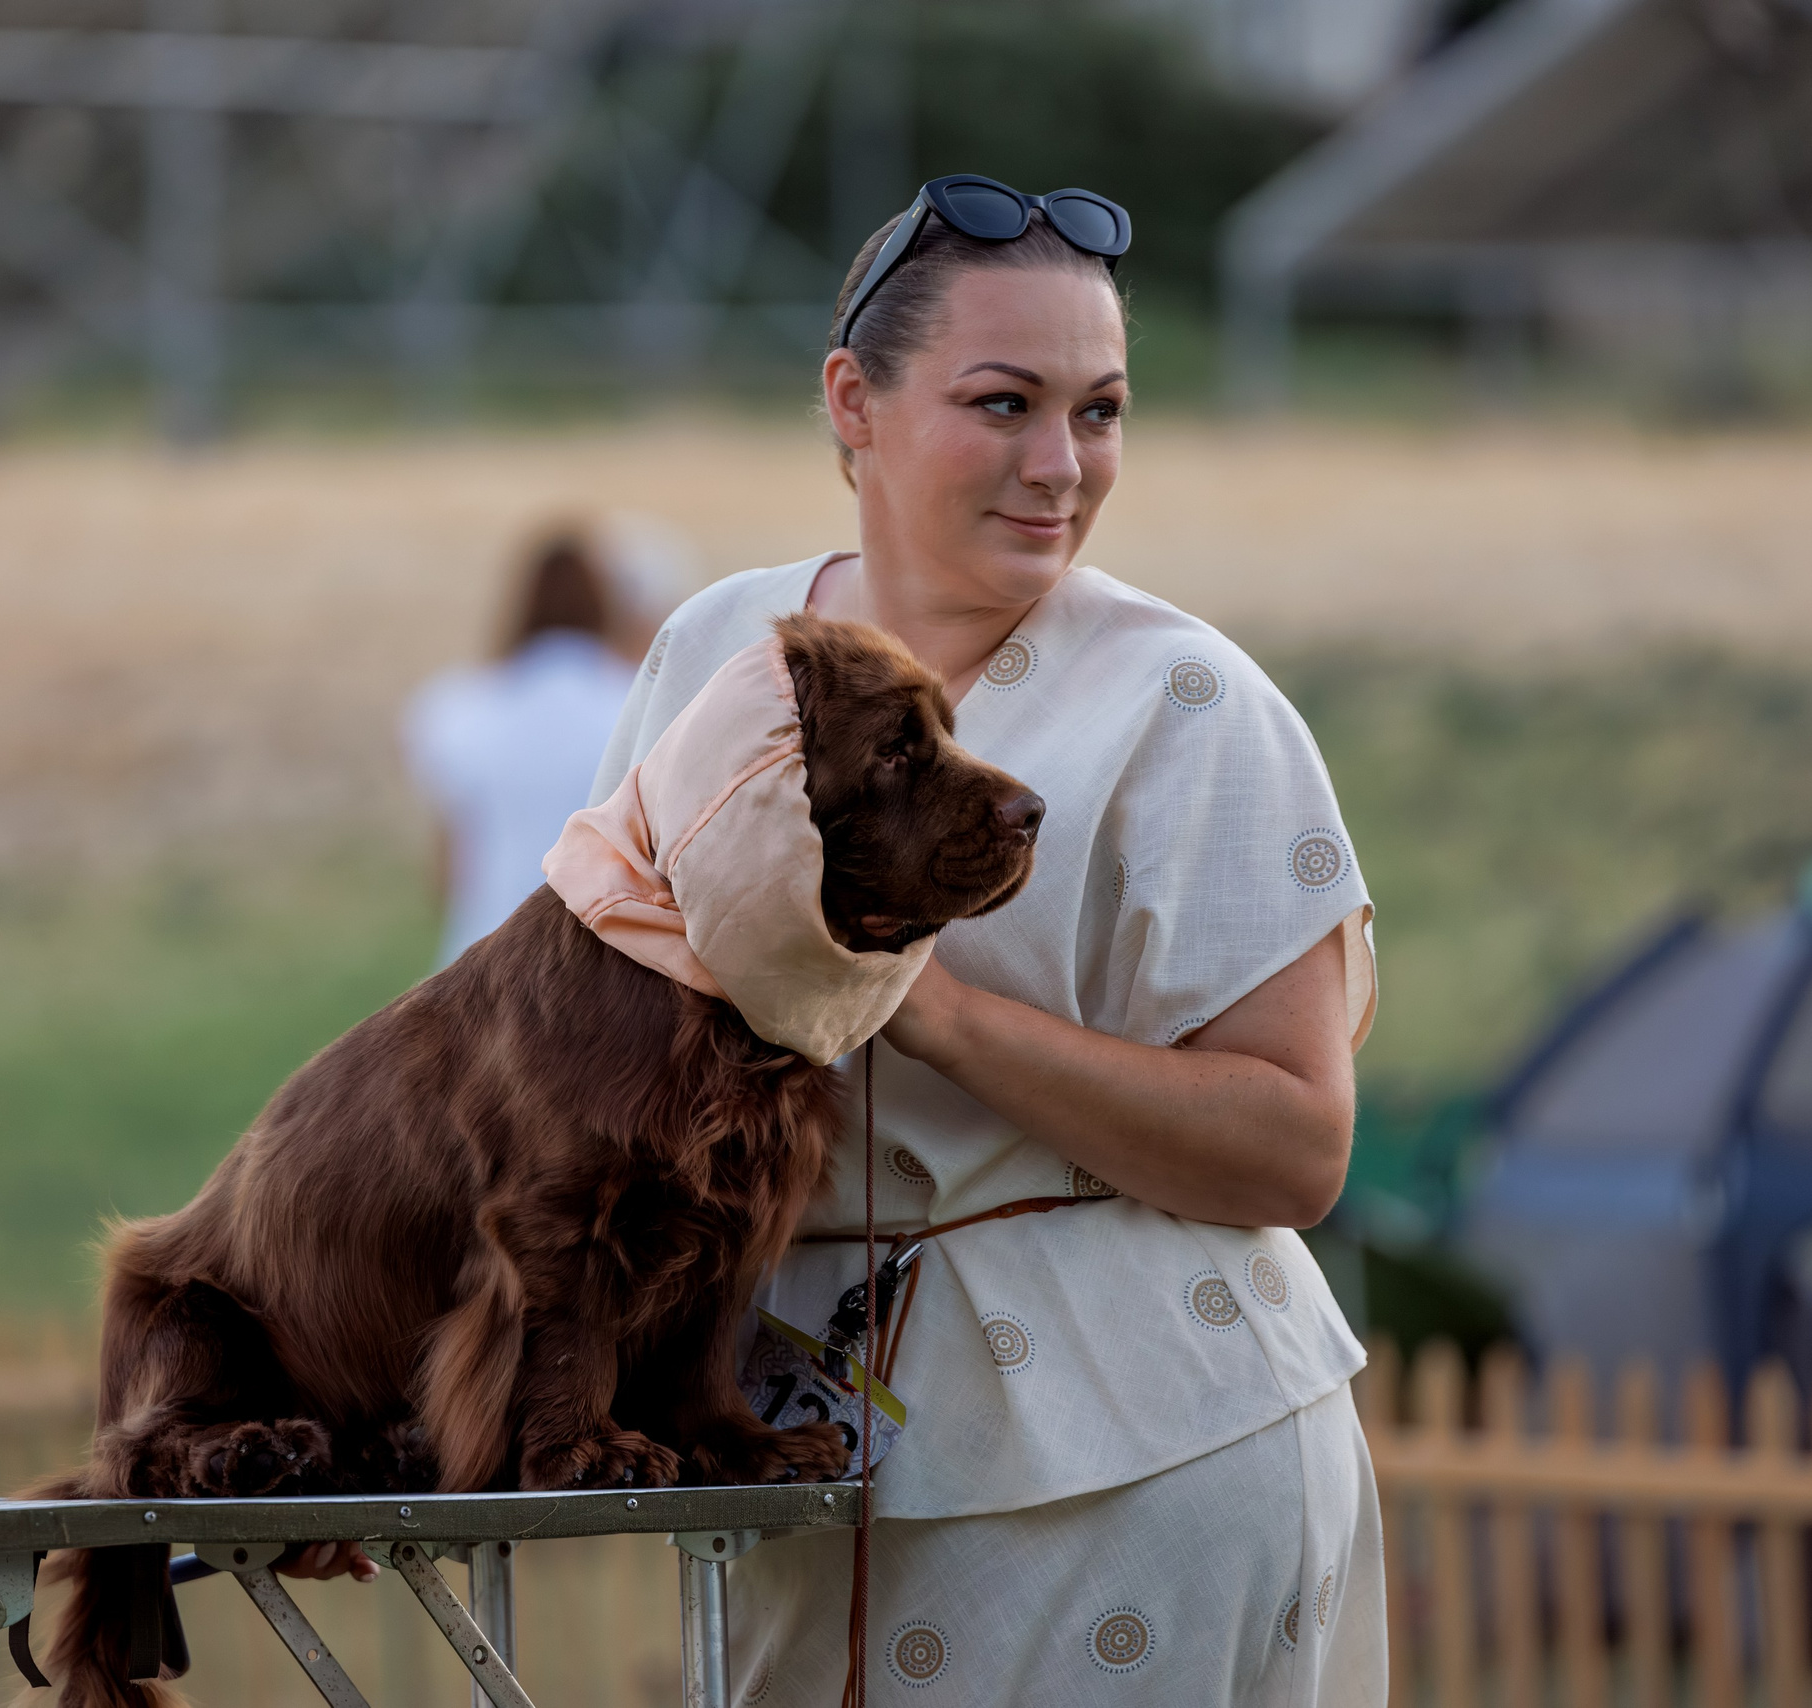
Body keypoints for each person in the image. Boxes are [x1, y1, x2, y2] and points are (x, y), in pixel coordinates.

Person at [591, 176, 1382, 1704]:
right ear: (853, 402)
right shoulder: (715, 656)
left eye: (1100, 412)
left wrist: (930, 1008)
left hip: (1148, 1461)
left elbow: (1296, 1151)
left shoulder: (1191, 703)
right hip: (791, 1460)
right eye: (1004, 403)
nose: (1060, 466)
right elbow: (580, 1034)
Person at [403, 523, 681, 964]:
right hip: (601, 970)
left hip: (477, 967)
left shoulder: (453, 710)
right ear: (605, 608)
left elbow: (449, 876)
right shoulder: (640, 711)